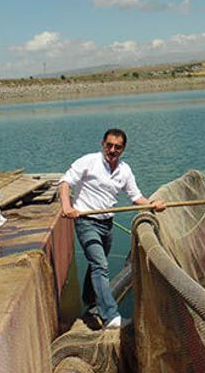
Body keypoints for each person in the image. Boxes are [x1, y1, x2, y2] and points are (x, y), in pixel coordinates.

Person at [59, 128, 165, 329]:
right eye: (109, 145)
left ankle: (89, 299)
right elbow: (65, 183)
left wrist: (152, 204)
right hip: (86, 221)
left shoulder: (125, 170)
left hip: (106, 224)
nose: (112, 150)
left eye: (117, 147)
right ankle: (110, 316)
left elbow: (135, 197)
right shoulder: (88, 162)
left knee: (97, 263)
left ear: (123, 149)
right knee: (100, 265)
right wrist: (67, 206)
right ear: (103, 144)